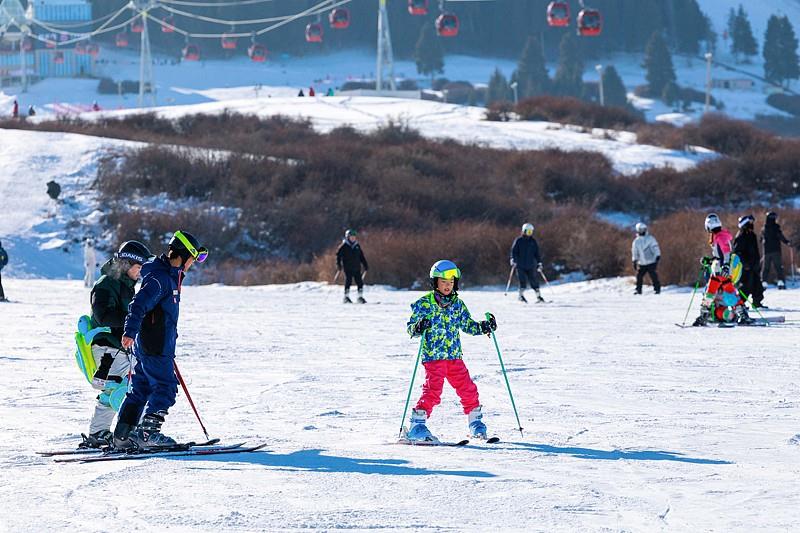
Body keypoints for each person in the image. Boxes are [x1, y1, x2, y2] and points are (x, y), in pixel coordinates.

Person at [112, 231, 208, 449]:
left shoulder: (168, 276)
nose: (192, 264)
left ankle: (123, 436)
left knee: (141, 388)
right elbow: (138, 304)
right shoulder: (160, 278)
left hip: (151, 344)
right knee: (165, 386)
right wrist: (129, 331)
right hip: (155, 346)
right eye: (193, 259)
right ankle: (148, 434)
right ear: (182, 255)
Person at [405, 260, 497, 442]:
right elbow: (411, 329)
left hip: (454, 356)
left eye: (451, 282)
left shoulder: (458, 305)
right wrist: (419, 326)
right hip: (433, 357)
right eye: (443, 282)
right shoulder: (424, 304)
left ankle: (475, 423)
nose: (448, 286)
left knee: (468, 388)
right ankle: (417, 426)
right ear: (435, 282)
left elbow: (468, 325)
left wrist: (485, 326)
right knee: (433, 390)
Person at [78, 241, 152, 448]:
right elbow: (103, 316)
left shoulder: (125, 285)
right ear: (126, 264)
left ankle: (98, 433)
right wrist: (134, 319)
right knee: (126, 388)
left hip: (117, 348)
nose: (140, 273)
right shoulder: (106, 283)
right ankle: (133, 433)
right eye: (139, 267)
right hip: (106, 348)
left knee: (113, 390)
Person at [693, 214, 752, 326]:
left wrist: (726, 266)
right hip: (717, 270)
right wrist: (709, 261)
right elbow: (718, 256)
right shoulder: (717, 235)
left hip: (722, 271)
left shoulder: (720, 237)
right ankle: (704, 315)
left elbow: (726, 253)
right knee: (710, 292)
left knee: (727, 293)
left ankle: (742, 315)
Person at [733, 214, 765, 308]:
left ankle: (757, 303)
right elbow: (737, 252)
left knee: (757, 285)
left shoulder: (752, 235)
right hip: (746, 267)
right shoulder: (741, 236)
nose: (752, 224)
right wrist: (745, 264)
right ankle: (739, 304)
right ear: (744, 224)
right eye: (750, 222)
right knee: (746, 287)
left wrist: (757, 263)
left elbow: (755, 250)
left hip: (754, 266)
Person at [510, 222, 544, 303]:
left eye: (531, 232)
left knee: (534, 281)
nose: (529, 234)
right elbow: (514, 252)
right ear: (524, 231)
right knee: (522, 281)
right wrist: (513, 259)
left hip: (530, 265)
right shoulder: (519, 241)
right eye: (528, 232)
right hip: (520, 265)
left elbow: (537, 253)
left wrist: (539, 263)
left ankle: (539, 297)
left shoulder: (533, 241)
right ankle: (520, 296)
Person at [336, 229, 369, 304]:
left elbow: (361, 256)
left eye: (354, 237)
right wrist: (338, 265)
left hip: (357, 267)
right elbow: (338, 256)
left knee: (360, 282)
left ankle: (360, 297)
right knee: (348, 281)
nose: (353, 238)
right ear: (347, 237)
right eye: (351, 237)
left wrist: (365, 265)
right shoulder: (344, 246)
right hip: (348, 267)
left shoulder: (357, 246)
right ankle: (346, 297)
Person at [761, 211, 790, 290]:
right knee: (778, 267)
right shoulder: (776, 227)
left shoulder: (764, 228)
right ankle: (781, 283)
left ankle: (763, 283)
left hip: (766, 252)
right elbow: (780, 236)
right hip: (776, 251)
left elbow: (761, 239)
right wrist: (787, 242)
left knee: (766, 268)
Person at [631, 222, 661, 295]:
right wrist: (634, 260)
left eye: (643, 229)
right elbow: (634, 251)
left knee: (653, 275)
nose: (642, 231)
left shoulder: (650, 238)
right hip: (642, 263)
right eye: (640, 230)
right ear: (638, 230)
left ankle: (657, 289)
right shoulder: (636, 241)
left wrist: (658, 255)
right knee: (639, 276)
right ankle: (638, 290)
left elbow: (655, 247)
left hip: (651, 261)